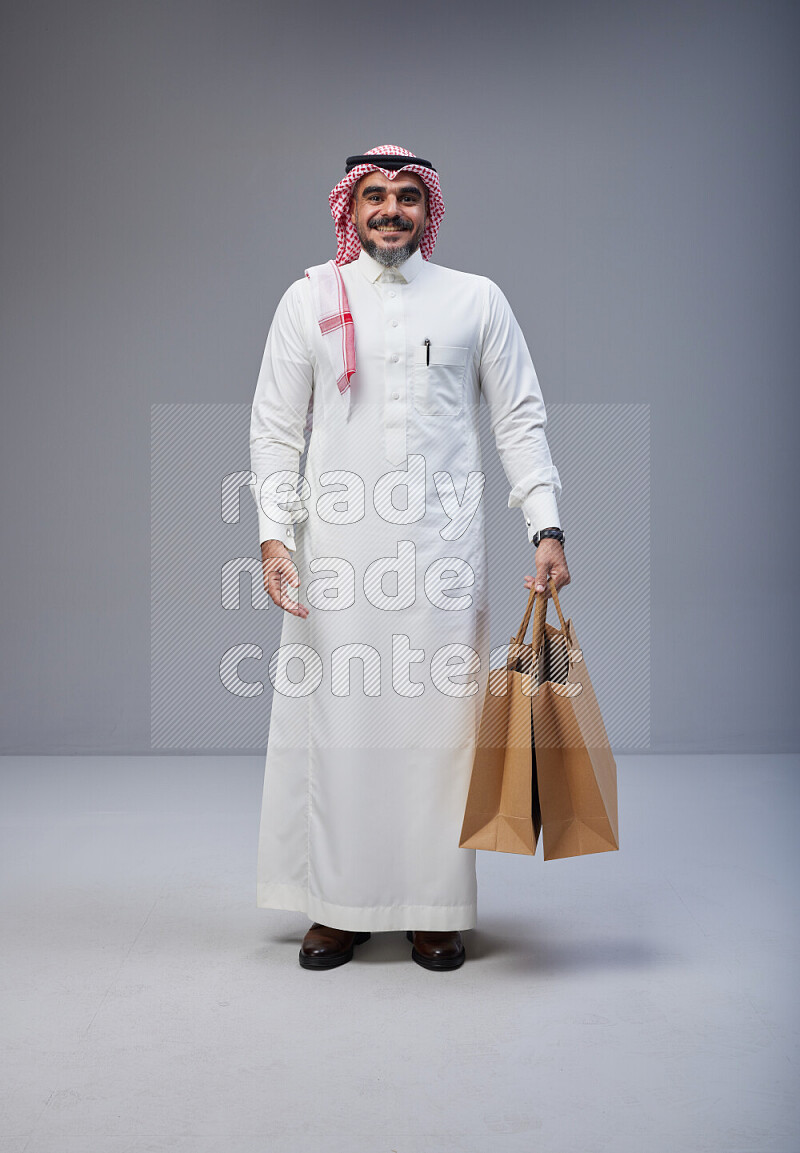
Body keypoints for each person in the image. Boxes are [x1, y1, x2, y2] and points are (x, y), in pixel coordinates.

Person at [249, 145, 569, 972]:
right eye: (375, 198)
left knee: (440, 733)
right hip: (338, 555)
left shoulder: (475, 300)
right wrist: (275, 536)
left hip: (440, 553)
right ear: (349, 211)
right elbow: (277, 428)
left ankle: (434, 909)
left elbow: (520, 421)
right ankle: (338, 908)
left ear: (428, 211)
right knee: (343, 727)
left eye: (406, 198)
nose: (391, 211)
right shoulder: (310, 298)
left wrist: (547, 527)